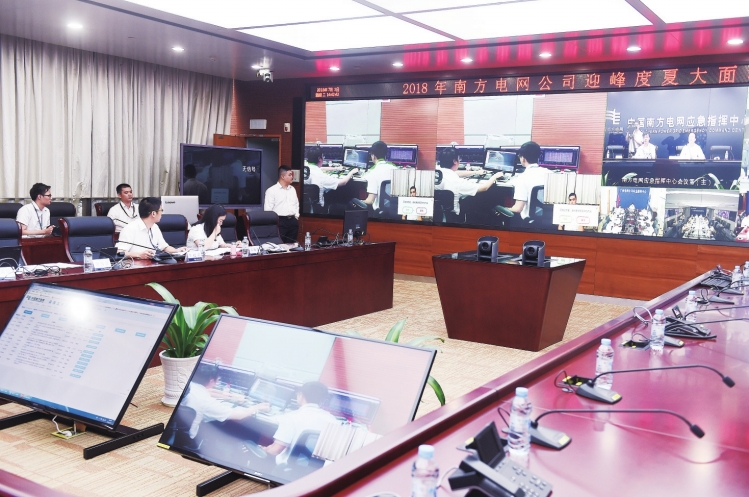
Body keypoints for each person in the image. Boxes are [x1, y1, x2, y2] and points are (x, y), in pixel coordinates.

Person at [182, 363, 269, 440]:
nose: (217, 382)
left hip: (180, 431)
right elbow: (239, 415)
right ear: (212, 381)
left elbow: (209, 391)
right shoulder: (208, 402)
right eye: (217, 380)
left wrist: (232, 397)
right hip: (190, 438)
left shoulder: (189, 386)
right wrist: (257, 407)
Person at [260, 381, 337, 465]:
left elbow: (275, 451)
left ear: (301, 395)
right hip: (318, 470)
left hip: (287, 468)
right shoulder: (333, 421)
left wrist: (262, 448)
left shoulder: (291, 417)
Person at [435, 148, 504, 216]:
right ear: (455, 161)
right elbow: (484, 187)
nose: (460, 161)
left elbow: (456, 173)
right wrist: (495, 176)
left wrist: (476, 172)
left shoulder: (436, 173)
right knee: (484, 196)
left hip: (437, 213)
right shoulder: (458, 182)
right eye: (459, 159)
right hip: (453, 216)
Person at [116, 197, 188, 259]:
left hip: (151, 264)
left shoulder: (155, 227)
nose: (162, 213)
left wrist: (177, 251)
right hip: (134, 266)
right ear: (153, 213)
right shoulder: (130, 229)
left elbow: (164, 247)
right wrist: (139, 255)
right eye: (161, 210)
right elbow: (119, 252)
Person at [506, 141, 550, 221]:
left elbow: (517, 209)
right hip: (549, 220)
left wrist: (504, 208)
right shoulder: (550, 174)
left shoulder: (522, 178)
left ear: (523, 158)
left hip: (529, 222)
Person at [265, 166, 299, 243]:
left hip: (293, 221)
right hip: (280, 221)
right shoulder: (271, 190)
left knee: (291, 245)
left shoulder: (292, 189)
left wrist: (296, 216)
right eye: (290, 175)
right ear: (283, 176)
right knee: (279, 245)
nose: (292, 177)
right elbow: (268, 210)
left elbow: (296, 204)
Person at [361, 141, 397, 213]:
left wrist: (360, 201)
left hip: (379, 212)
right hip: (395, 210)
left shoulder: (372, 173)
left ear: (373, 156)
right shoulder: (396, 169)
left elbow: (370, 200)